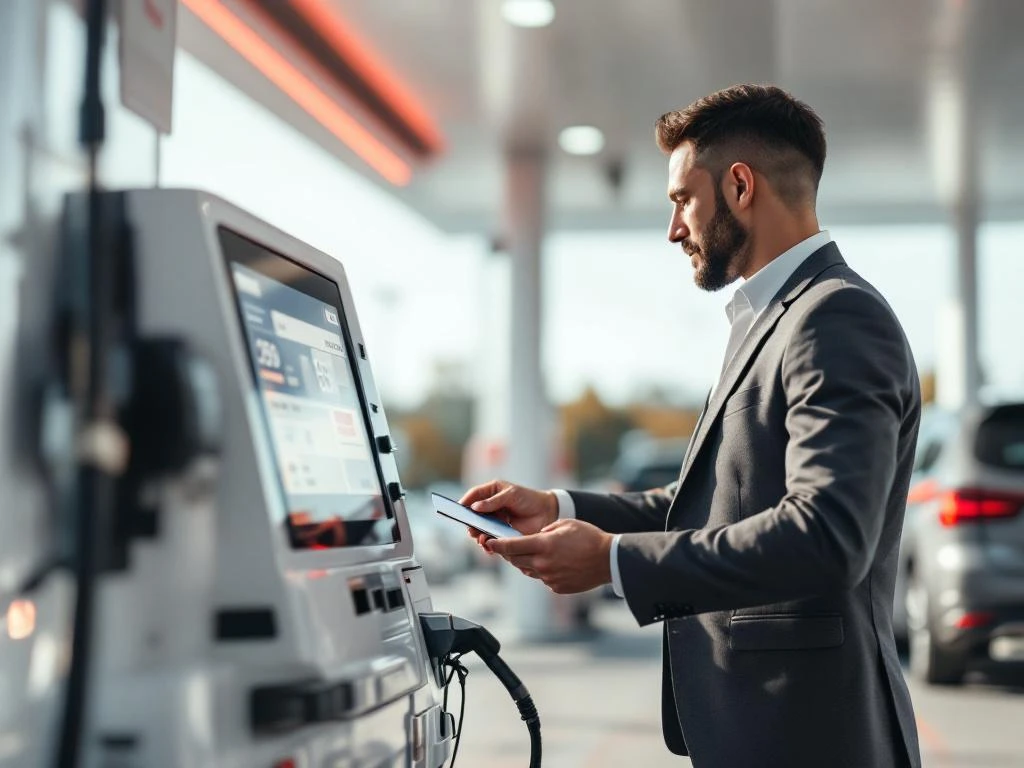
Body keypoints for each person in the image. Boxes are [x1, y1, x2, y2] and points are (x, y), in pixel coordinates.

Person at [460, 84, 922, 768]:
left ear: (739, 186)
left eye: (681, 199)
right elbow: (711, 506)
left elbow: (829, 535)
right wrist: (558, 509)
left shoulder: (836, 318)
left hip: (811, 735)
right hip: (763, 732)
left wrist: (613, 562)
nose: (673, 228)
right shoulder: (772, 321)